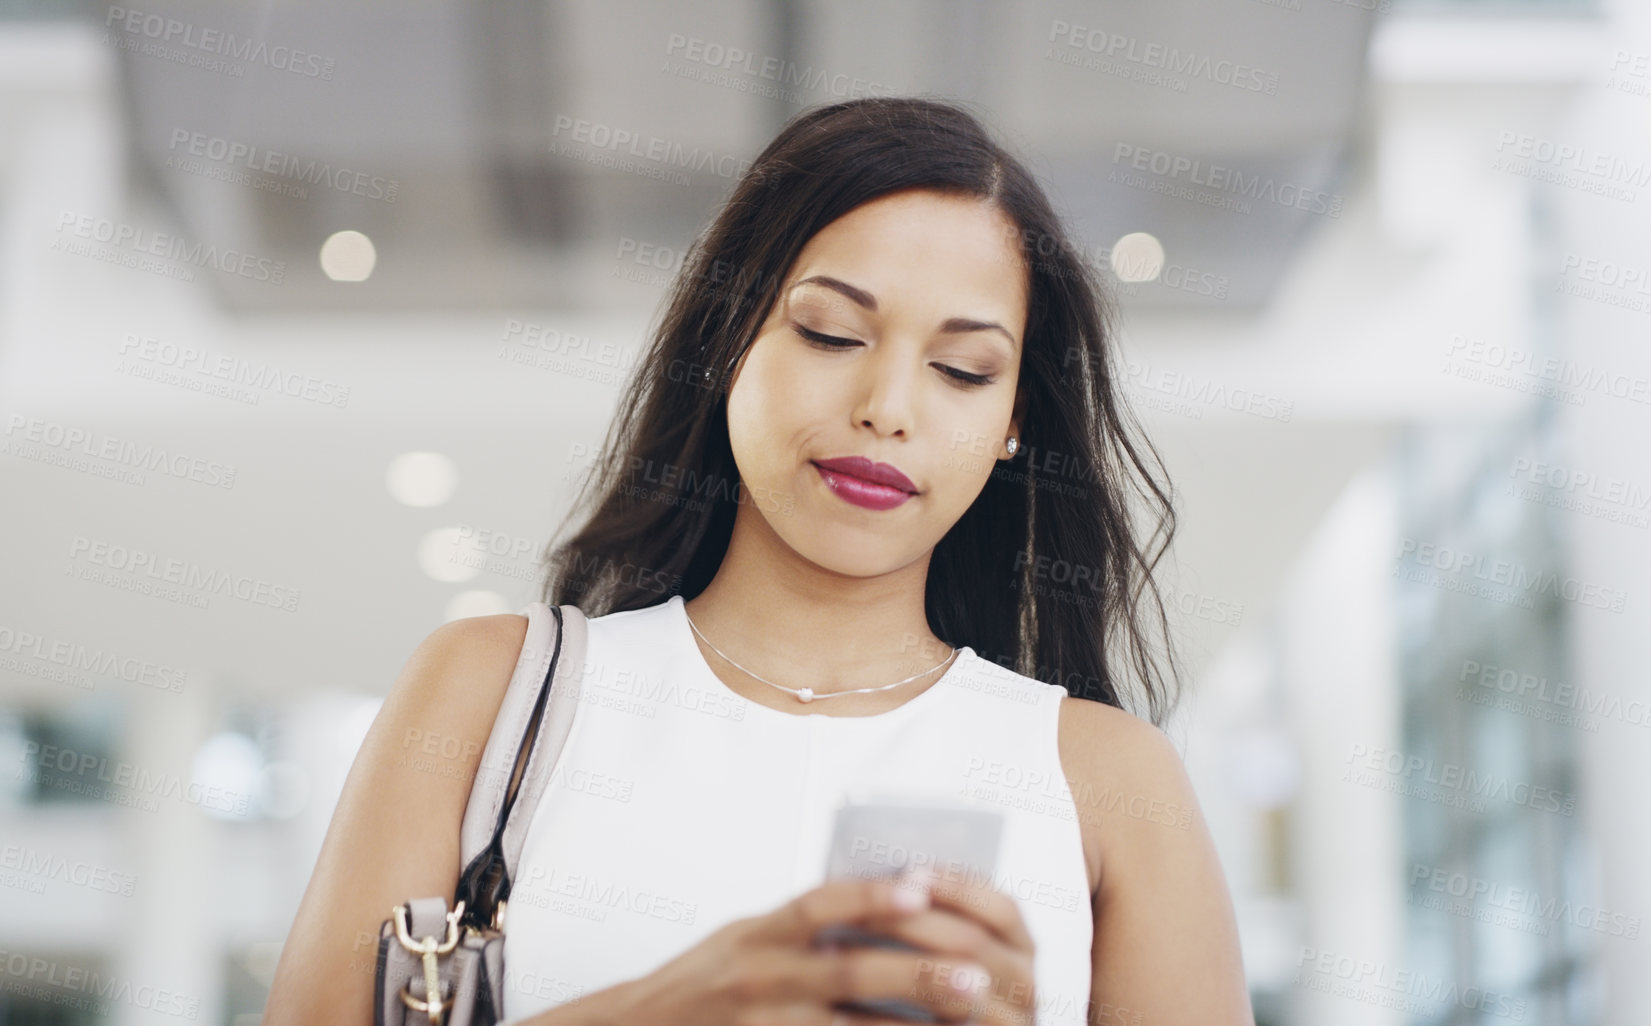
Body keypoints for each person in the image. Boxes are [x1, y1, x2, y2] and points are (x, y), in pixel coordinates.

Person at [263, 96, 1251, 1026]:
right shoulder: (492, 694)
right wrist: (683, 1004)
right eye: (830, 331)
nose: (888, 406)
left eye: (963, 369)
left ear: (1012, 424)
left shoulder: (1109, 779)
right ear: (729, 336)